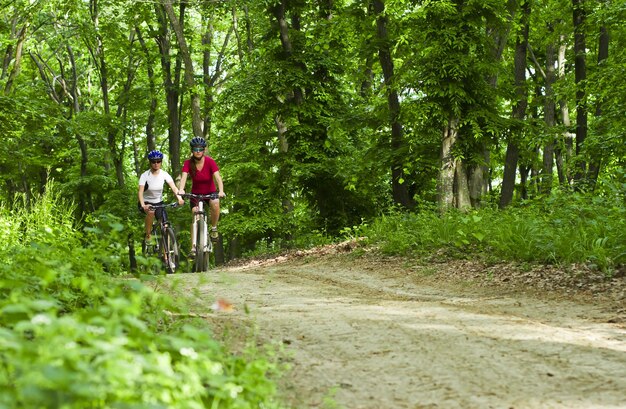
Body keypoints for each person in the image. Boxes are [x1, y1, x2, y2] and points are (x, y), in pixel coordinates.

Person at [178, 136, 225, 256]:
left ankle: (214, 228)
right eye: (195, 149)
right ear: (192, 150)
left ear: (204, 150)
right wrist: (181, 190)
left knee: (215, 203)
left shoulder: (210, 161)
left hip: (210, 193)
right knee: (195, 214)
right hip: (196, 194)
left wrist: (221, 191)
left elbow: (218, 178)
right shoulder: (188, 163)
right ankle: (193, 247)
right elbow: (183, 177)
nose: (198, 151)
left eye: (200, 149)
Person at [138, 150, 184, 242]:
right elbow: (140, 192)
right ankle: (148, 234)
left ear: (161, 162)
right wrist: (143, 205)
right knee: (151, 212)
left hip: (158, 203)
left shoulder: (164, 174)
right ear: (150, 162)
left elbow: (174, 188)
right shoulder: (145, 175)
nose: (156, 164)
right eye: (153, 162)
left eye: (158, 161)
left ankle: (166, 253)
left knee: (165, 225)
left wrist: (179, 198)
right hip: (146, 202)